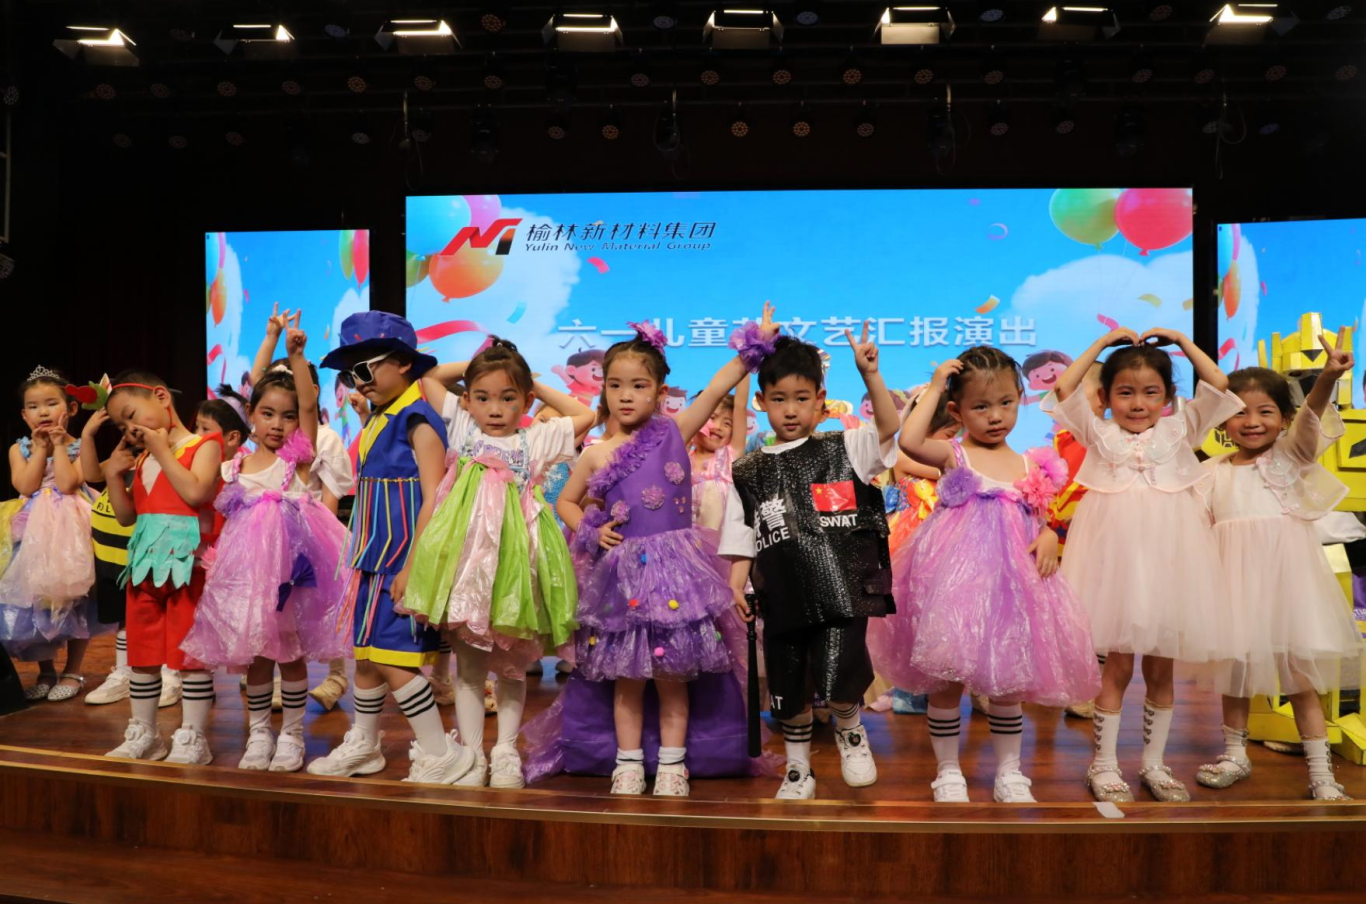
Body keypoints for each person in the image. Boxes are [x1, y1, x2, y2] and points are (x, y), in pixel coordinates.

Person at [546, 308, 778, 797]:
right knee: (627, 678)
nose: (626, 395)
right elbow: (566, 502)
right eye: (615, 385)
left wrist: (754, 345)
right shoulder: (595, 453)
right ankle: (628, 763)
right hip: (621, 579)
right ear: (603, 390)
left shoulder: (672, 432)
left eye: (638, 385)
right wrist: (592, 528)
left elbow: (716, 388)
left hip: (677, 575)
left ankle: (673, 765)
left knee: (673, 675)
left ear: (658, 391)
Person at [891, 349, 1100, 803]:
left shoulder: (1031, 464)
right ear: (956, 411)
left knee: (1009, 683)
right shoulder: (954, 454)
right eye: (981, 407)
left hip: (1010, 588)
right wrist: (934, 385)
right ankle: (948, 771)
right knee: (947, 681)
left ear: (1020, 399)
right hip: (956, 585)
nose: (995, 416)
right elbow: (908, 441)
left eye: (1005, 403)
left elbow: (1039, 518)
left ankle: (1010, 771)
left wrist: (1048, 534)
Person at [1049, 327, 1243, 803]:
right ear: (1105, 398)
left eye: (1151, 393)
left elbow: (1219, 383)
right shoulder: (1098, 433)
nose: (1138, 404)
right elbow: (1064, 388)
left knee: (1161, 670)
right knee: (1115, 666)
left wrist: (1180, 340)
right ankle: (1104, 765)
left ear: (1169, 396)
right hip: (1114, 568)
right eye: (1125, 393)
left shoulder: (1181, 429)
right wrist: (1100, 344)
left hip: (1169, 566)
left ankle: (1154, 764)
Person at [402, 339, 594, 788]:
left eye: (508, 398)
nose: (494, 409)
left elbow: (585, 415)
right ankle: (472, 755)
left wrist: (533, 385)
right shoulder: (462, 427)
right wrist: (482, 364)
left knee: (511, 666)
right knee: (468, 669)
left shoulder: (536, 438)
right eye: (483, 397)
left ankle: (505, 751)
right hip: (468, 571)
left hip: (516, 573)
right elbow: (429, 377)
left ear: (525, 401)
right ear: (467, 400)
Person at [721, 321, 900, 801]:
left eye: (801, 398)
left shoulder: (847, 446)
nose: (790, 409)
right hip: (781, 596)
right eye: (779, 399)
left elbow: (889, 429)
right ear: (762, 402)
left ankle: (850, 730)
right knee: (787, 687)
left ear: (821, 400)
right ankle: (798, 769)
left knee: (840, 674)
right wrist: (737, 583)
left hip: (842, 593)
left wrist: (871, 376)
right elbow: (743, 532)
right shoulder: (748, 469)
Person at [306, 312, 474, 784]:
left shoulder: (417, 417)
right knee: (365, 656)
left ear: (402, 363)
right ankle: (364, 744)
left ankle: (440, 752)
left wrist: (413, 565)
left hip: (400, 558)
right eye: (349, 374)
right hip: (372, 558)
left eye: (364, 369)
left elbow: (433, 496)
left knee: (391, 657)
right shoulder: (381, 417)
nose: (357, 382)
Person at [180, 315, 351, 772]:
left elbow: (309, 407)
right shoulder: (233, 465)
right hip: (245, 576)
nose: (278, 424)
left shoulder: (297, 460)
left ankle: (291, 735)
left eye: (288, 416)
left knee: (290, 654)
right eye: (268, 414)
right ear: (250, 416)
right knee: (256, 656)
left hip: (289, 574)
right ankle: (259, 733)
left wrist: (295, 356)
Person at [1196, 342, 1363, 801]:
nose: (1251, 421)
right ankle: (1235, 755)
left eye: (1265, 411)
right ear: (1222, 422)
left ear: (1285, 418)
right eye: (1239, 412)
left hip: (1287, 588)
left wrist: (1327, 378)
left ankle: (1322, 774)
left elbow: (1312, 417)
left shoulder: (1290, 457)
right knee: (1235, 675)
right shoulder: (1212, 472)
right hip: (1233, 589)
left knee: (1299, 679)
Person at [101, 370, 224, 764]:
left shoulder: (204, 444)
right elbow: (127, 516)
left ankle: (192, 737)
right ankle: (145, 733)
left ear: (161, 397)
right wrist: (113, 475)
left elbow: (196, 491)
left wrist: (162, 451)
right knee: (142, 655)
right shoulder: (145, 458)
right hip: (145, 569)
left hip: (189, 568)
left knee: (190, 656)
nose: (130, 429)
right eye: (122, 426)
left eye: (132, 416)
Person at [248, 306, 359, 712]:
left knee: (320, 608)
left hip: (310, 527)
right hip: (269, 532)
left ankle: (335, 675)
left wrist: (317, 539)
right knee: (279, 612)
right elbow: (257, 386)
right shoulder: (266, 440)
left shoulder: (319, 439)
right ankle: (274, 673)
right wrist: (271, 337)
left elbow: (331, 493)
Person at [0, 367, 102, 702]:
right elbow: (26, 485)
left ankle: (73, 670)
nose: (42, 412)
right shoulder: (19, 449)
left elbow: (68, 484)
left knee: (77, 599)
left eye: (51, 403)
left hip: (72, 526)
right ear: (24, 414)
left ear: (71, 408)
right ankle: (46, 669)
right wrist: (40, 449)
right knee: (35, 599)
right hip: (32, 529)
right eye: (34, 406)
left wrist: (59, 446)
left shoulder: (81, 446)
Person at [80, 406, 138, 705]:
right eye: (122, 426)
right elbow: (92, 475)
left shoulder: (158, 458)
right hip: (109, 558)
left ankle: (168, 674)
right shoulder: (124, 454)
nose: (129, 430)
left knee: (139, 617)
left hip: (135, 558)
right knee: (122, 619)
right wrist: (88, 435)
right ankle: (123, 673)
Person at [689, 379, 750, 533]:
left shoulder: (730, 454)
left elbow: (740, 406)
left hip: (721, 540)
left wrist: (747, 365)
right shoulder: (683, 456)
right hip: (686, 539)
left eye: (727, 423)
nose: (718, 427)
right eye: (712, 417)